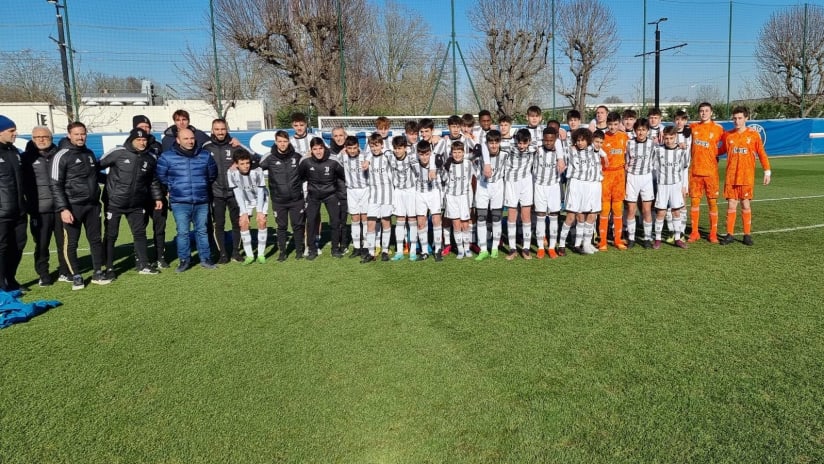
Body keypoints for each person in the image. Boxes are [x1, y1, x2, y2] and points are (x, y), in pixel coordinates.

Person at [50, 121, 110, 289]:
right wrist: (63, 208)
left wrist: (116, 182)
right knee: (72, 243)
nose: (80, 137)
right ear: (69, 135)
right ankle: (75, 275)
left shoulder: (89, 153)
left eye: (83, 133)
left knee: (95, 240)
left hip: (92, 205)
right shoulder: (61, 155)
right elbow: (55, 184)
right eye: (76, 134)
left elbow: (95, 176)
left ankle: (98, 272)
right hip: (72, 206)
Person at [99, 128, 164, 277]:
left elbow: (152, 180)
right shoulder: (117, 152)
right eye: (138, 140)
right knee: (111, 235)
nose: (142, 143)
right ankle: (109, 267)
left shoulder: (150, 157)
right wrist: (108, 182)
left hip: (136, 203)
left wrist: (158, 197)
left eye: (144, 140)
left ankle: (143, 264)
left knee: (140, 234)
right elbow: (96, 167)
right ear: (131, 140)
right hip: (114, 202)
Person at [156, 128, 218, 272]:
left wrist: (201, 186)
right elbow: (161, 177)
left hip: (201, 200)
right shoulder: (167, 157)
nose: (190, 141)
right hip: (179, 202)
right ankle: (184, 260)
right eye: (186, 139)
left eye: (192, 138)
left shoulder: (205, 155)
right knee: (183, 232)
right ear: (178, 140)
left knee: (202, 231)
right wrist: (174, 187)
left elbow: (212, 175)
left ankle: (206, 259)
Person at [21, 126, 68, 286]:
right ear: (32, 139)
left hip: (61, 208)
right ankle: (44, 274)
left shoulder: (60, 155)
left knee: (64, 243)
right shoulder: (25, 158)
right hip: (39, 210)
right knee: (41, 244)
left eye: (44, 136)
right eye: (37, 137)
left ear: (51, 137)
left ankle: (65, 271)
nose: (41, 139)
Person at [720, 106, 772, 246]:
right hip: (731, 176)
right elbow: (721, 150)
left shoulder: (753, 135)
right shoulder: (728, 135)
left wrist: (767, 171)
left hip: (746, 176)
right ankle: (729, 234)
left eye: (740, 118)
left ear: (746, 118)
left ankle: (747, 235)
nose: (737, 121)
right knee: (731, 204)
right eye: (735, 118)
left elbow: (761, 153)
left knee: (745, 203)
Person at [557, 128, 607, 255]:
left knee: (584, 215)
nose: (580, 143)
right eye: (578, 140)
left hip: (587, 185)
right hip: (574, 184)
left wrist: (605, 156)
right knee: (571, 216)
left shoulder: (591, 149)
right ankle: (561, 245)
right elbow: (559, 148)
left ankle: (579, 244)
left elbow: (598, 148)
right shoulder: (570, 149)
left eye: (583, 140)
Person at [203, 118, 245, 264]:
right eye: (217, 129)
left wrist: (241, 147)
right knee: (219, 224)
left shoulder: (234, 145)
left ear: (226, 129)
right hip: (216, 194)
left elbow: (252, 160)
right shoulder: (206, 147)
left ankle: (235, 252)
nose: (220, 132)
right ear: (212, 130)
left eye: (223, 129)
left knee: (236, 223)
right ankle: (222, 254)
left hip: (234, 192)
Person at [259, 130, 306, 261]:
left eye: (285, 141)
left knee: (297, 225)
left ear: (289, 141)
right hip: (278, 200)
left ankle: (299, 251)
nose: (282, 144)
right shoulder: (268, 157)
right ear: (275, 142)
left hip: (296, 199)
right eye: (280, 141)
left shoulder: (297, 156)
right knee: (281, 227)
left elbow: (307, 167)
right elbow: (255, 168)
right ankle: (282, 252)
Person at [298, 138, 346, 260]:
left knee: (335, 222)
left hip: (331, 195)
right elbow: (300, 176)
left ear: (324, 148)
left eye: (320, 148)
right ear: (311, 150)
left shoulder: (333, 160)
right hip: (313, 195)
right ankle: (312, 250)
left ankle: (335, 249)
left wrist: (340, 193)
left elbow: (343, 176)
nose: (318, 151)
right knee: (311, 222)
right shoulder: (305, 161)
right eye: (315, 149)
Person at [132, 115, 169, 267]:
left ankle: (160, 257)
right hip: (139, 196)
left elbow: (164, 169)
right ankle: (141, 259)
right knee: (140, 229)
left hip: (157, 194)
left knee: (159, 227)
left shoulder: (157, 146)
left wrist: (165, 190)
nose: (145, 129)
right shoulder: (129, 146)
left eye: (147, 127)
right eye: (142, 126)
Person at [688, 102, 726, 243]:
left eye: (706, 111)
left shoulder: (718, 129)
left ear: (711, 112)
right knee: (694, 202)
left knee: (712, 203)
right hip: (695, 172)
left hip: (711, 173)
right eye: (701, 111)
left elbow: (727, 143)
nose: (704, 113)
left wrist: (717, 152)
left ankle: (713, 234)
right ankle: (694, 232)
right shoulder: (693, 127)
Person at [0, 116, 28, 292]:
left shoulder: (15, 152)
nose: (15, 134)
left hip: (18, 210)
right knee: (1, 249)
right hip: (1, 213)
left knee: (18, 245)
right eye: (11, 131)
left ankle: (11, 280)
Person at [651, 126, 690, 249]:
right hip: (662, 185)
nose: (668, 140)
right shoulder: (658, 150)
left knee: (676, 211)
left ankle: (678, 238)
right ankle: (657, 239)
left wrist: (684, 186)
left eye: (671, 138)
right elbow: (652, 165)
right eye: (666, 138)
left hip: (676, 185)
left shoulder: (681, 151)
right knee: (661, 212)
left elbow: (684, 169)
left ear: (676, 137)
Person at [228, 149, 269, 263]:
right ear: (236, 164)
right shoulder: (231, 173)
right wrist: (244, 212)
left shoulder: (257, 171)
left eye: (247, 163)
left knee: (262, 221)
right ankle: (250, 255)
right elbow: (237, 193)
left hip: (261, 197)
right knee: (243, 223)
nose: (246, 166)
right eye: (242, 164)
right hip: (245, 199)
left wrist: (260, 211)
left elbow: (261, 191)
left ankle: (261, 254)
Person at [533, 126, 566, 259]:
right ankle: (541, 247)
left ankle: (552, 247)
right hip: (539, 186)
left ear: (555, 140)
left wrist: (560, 157)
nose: (548, 142)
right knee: (540, 216)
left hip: (553, 186)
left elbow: (559, 143)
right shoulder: (537, 149)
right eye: (546, 140)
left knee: (554, 216)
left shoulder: (560, 151)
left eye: (551, 140)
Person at [624, 118, 657, 249]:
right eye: (638, 129)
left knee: (646, 210)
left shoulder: (652, 144)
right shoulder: (629, 143)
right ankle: (631, 238)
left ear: (648, 131)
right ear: (634, 130)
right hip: (632, 178)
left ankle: (647, 238)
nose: (641, 132)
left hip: (646, 178)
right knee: (631, 209)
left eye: (643, 130)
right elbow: (626, 161)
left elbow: (656, 159)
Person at [503, 128, 535, 260]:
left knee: (526, 214)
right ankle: (512, 248)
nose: (521, 146)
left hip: (526, 182)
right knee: (511, 213)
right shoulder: (509, 147)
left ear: (529, 141)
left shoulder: (533, 148)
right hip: (511, 182)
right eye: (519, 143)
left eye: (524, 143)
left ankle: (526, 248)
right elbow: (491, 143)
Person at [362, 133, 394, 263]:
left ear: (382, 145)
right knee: (370, 222)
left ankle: (385, 251)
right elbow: (367, 155)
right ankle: (371, 252)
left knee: (386, 222)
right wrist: (368, 158)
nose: (375, 148)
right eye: (372, 146)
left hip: (387, 194)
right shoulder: (368, 158)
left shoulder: (387, 155)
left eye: (377, 145)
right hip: (373, 195)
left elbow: (393, 155)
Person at [599, 112, 628, 251]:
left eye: (615, 124)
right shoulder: (601, 137)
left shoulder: (624, 137)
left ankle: (617, 239)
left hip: (619, 176)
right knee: (605, 209)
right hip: (605, 176)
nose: (612, 127)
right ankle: (603, 241)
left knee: (617, 209)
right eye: (610, 124)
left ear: (619, 123)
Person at [475, 130, 507, 260]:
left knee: (496, 217)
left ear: (500, 142)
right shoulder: (481, 154)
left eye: (496, 142)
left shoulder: (505, 154)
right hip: (483, 186)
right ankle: (483, 249)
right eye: (490, 142)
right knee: (481, 217)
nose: (493, 145)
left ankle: (494, 248)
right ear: (487, 143)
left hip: (498, 187)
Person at [386, 135, 418, 261]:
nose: (397, 151)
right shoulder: (390, 156)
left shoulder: (411, 157)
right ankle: (399, 251)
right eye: (395, 148)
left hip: (410, 191)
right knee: (399, 220)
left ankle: (413, 250)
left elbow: (418, 172)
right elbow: (378, 151)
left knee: (411, 219)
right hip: (398, 192)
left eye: (400, 148)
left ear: (405, 148)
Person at [412, 140, 444, 261]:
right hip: (420, 193)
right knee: (421, 222)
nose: (424, 157)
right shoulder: (413, 162)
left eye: (426, 154)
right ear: (417, 154)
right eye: (421, 154)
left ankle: (437, 250)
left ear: (430, 153)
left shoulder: (435, 160)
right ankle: (424, 251)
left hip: (434, 192)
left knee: (436, 220)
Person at [442, 141, 474, 259]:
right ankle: (460, 250)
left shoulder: (468, 164)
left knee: (465, 224)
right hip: (451, 197)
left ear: (463, 152)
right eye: (454, 152)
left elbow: (476, 175)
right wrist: (443, 168)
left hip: (464, 196)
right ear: (451, 153)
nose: (457, 155)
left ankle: (467, 248)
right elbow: (444, 179)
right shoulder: (448, 164)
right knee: (456, 224)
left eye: (459, 152)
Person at [339, 135, 369, 257]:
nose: (352, 150)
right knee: (355, 219)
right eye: (349, 148)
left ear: (358, 147)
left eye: (355, 148)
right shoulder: (343, 156)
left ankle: (366, 246)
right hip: (351, 191)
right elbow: (331, 159)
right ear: (346, 148)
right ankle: (356, 247)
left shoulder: (364, 157)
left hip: (365, 190)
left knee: (365, 219)